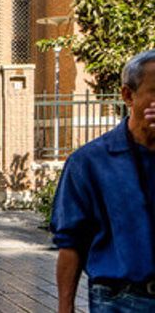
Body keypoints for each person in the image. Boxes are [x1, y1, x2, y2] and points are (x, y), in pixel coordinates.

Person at [51, 49, 155, 312]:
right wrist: (66, 307)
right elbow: (71, 243)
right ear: (128, 96)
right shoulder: (89, 163)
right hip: (120, 300)